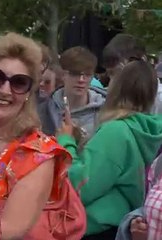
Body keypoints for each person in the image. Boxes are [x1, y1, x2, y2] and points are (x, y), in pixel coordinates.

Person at [0, 32, 75, 239]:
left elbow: (9, 230)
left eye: (19, 82)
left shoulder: (37, 153)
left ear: (28, 93)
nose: (5, 90)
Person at [57, 60, 162, 239]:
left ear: (118, 86)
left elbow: (79, 185)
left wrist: (66, 141)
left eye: (112, 75)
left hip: (97, 229)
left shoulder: (116, 131)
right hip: (120, 225)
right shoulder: (148, 131)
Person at [38, 47, 106, 143]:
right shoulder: (44, 111)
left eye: (87, 74)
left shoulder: (106, 111)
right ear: (63, 75)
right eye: (75, 74)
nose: (81, 80)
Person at [102, 33, 162, 114]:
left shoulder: (159, 99)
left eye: (120, 74)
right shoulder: (105, 97)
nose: (112, 83)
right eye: (110, 74)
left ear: (142, 61)